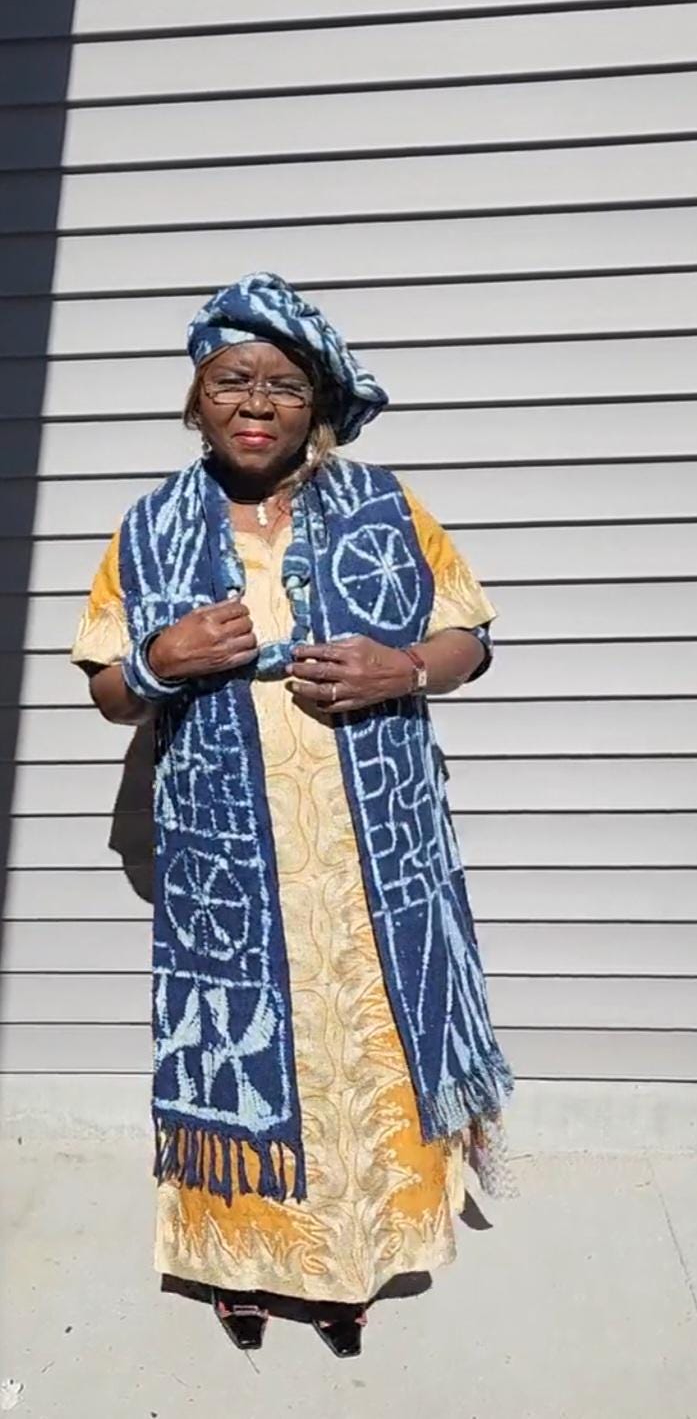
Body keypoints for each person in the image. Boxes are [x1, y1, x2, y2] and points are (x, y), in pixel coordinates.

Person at [72, 270, 514, 1360]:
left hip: (368, 859)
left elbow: (469, 638)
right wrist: (163, 658)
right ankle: (237, 1265)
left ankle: (350, 1266)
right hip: (228, 866)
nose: (257, 403)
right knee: (246, 1051)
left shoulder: (385, 507)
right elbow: (111, 690)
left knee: (356, 1048)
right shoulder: (150, 527)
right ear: (198, 397)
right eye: (234, 380)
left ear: (316, 404)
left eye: (283, 384)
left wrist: (404, 667)